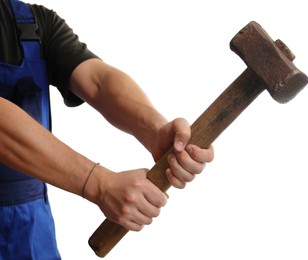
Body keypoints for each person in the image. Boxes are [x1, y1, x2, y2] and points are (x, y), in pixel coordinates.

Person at [0, 0, 214, 258]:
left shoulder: (30, 22)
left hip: (31, 232)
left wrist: (156, 129)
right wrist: (98, 183)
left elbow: (98, 81)